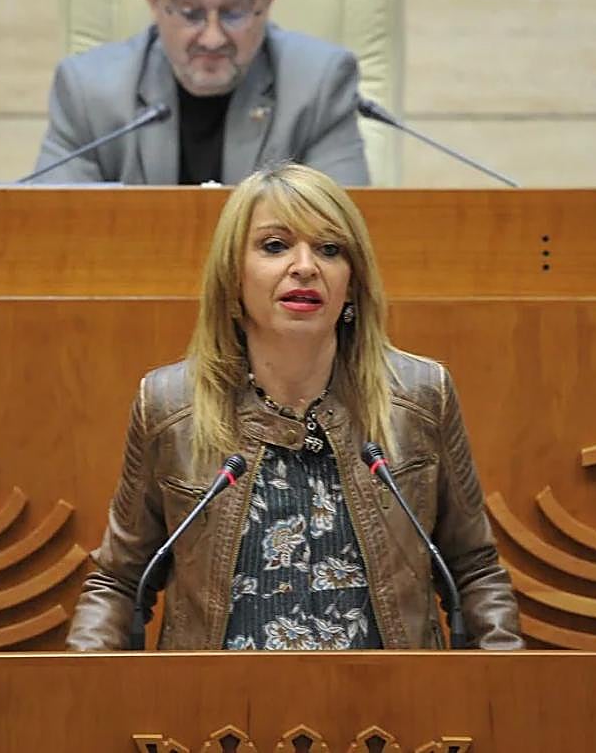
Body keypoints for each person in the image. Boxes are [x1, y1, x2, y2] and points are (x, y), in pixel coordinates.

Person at [67, 163, 522, 651]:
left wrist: (490, 700)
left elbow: (473, 570)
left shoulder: (419, 397)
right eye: (275, 246)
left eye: (329, 249)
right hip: (215, 714)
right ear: (232, 275)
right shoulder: (170, 406)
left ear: (352, 281)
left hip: (392, 712)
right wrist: (95, 699)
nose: (305, 266)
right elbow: (118, 582)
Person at [32, 0, 370, 187]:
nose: (212, 38)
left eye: (235, 11)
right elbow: (54, 232)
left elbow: (339, 236)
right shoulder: (86, 91)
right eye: (189, 11)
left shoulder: (319, 85)